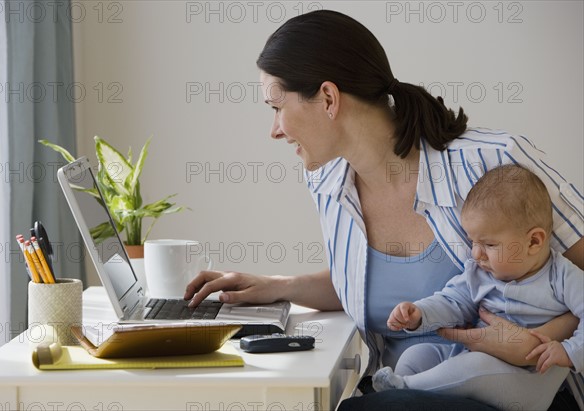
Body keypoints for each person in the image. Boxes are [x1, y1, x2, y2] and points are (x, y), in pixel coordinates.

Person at [184, 10, 584, 410]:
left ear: (327, 98)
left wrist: (542, 340)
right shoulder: (328, 182)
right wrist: (278, 287)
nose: (274, 130)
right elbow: (366, 281)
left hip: (518, 389)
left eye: (275, 107)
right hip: (407, 387)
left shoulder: (493, 162)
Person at [372, 164, 583, 410]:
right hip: (469, 360)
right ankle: (403, 393)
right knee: (417, 354)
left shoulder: (561, 277)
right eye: (473, 241)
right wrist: (419, 313)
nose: (476, 253)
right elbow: (452, 300)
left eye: (489, 244)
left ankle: (403, 391)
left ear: (533, 241)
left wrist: (571, 350)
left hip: (527, 382)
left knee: (472, 368)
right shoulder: (479, 272)